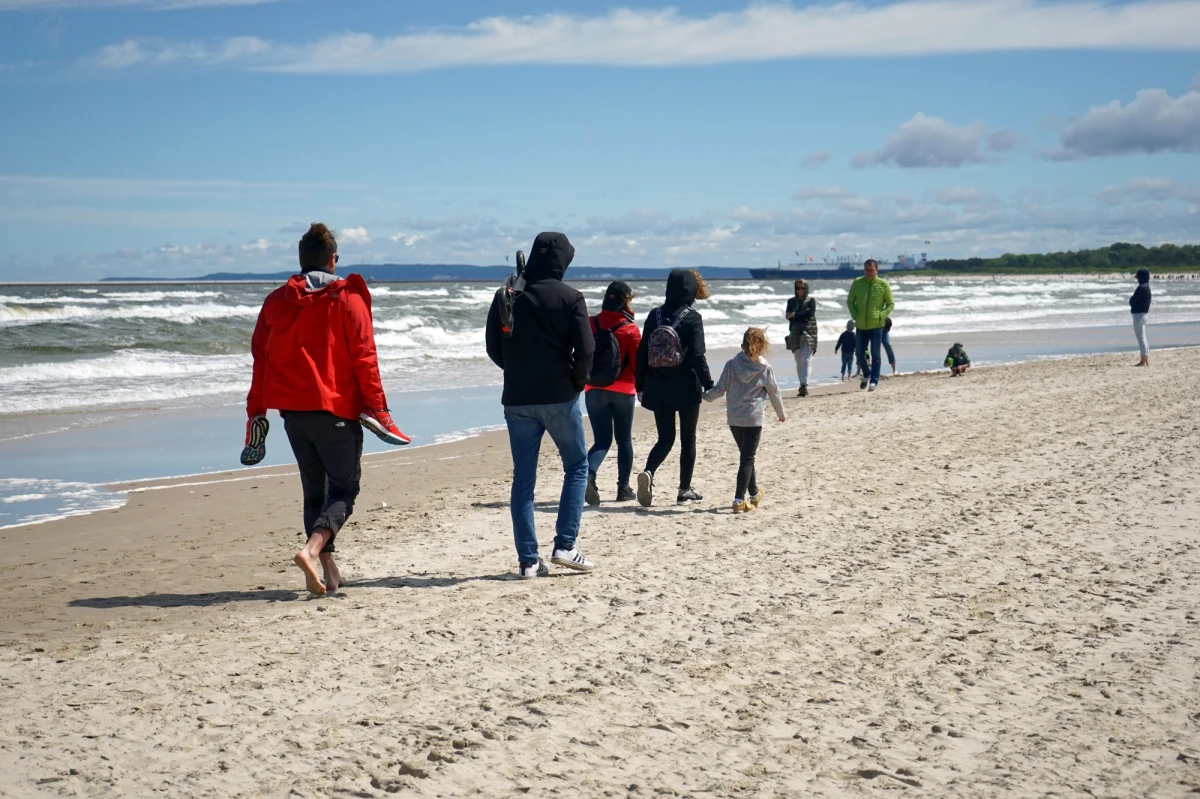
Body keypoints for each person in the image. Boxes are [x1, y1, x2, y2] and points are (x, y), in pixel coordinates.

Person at [246, 222, 410, 597]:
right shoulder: (346, 298)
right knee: (343, 490)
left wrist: (256, 412)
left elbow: (261, 359)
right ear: (333, 260)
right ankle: (311, 550)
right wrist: (378, 409)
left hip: (293, 414)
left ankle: (328, 572)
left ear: (301, 260)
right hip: (336, 411)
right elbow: (365, 358)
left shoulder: (274, 302)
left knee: (313, 493)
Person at [485, 232, 596, 578]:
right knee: (577, 466)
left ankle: (528, 561)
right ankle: (565, 544)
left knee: (524, 480)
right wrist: (576, 382)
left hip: (517, 399)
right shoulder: (571, 297)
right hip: (559, 397)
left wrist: (516, 370)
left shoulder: (508, 294)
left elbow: (492, 345)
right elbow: (587, 350)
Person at [635, 268, 713, 507]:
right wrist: (709, 384)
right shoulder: (692, 318)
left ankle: (648, 472)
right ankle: (684, 490)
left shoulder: (653, 315)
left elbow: (641, 353)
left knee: (665, 438)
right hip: (687, 387)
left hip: (658, 386)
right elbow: (698, 356)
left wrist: (640, 385)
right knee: (688, 439)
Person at [703, 328, 786, 512]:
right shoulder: (765, 368)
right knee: (747, 458)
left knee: (746, 457)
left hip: (734, 419)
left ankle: (755, 494)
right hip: (753, 418)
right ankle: (739, 499)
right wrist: (780, 412)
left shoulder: (731, 364)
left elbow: (719, 389)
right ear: (763, 347)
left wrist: (704, 396)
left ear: (742, 346)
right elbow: (773, 391)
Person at [584, 281, 642, 506]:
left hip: (593, 387)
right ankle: (623, 489)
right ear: (625, 301)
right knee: (624, 439)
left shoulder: (590, 323)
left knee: (601, 441)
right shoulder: (630, 329)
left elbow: (580, 353)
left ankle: (588, 475)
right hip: (623, 389)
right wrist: (641, 388)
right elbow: (638, 365)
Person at [846, 259, 895, 392]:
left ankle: (874, 380)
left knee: (875, 354)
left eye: (871, 270)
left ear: (876, 270)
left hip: (877, 325)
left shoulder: (883, 284)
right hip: (861, 325)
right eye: (866, 270)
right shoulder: (857, 283)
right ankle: (866, 373)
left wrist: (882, 315)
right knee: (860, 354)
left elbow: (890, 303)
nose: (868, 272)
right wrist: (855, 315)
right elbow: (850, 301)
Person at [785, 278, 818, 397]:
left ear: (806, 289)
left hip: (810, 332)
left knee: (806, 360)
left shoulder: (811, 301)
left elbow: (809, 315)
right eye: (798, 288)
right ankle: (801, 385)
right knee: (798, 361)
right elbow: (788, 315)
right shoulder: (791, 301)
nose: (800, 290)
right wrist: (796, 316)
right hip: (795, 333)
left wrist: (795, 316)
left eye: (802, 288)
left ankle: (805, 384)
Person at [1130, 267, 1152, 367]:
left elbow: (1132, 301)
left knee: (1141, 338)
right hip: (1143, 314)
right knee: (1143, 337)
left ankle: (1143, 361)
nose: (1137, 279)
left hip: (1138, 315)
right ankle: (1145, 359)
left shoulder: (1141, 288)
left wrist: (1131, 300)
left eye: (1138, 277)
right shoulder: (1147, 287)